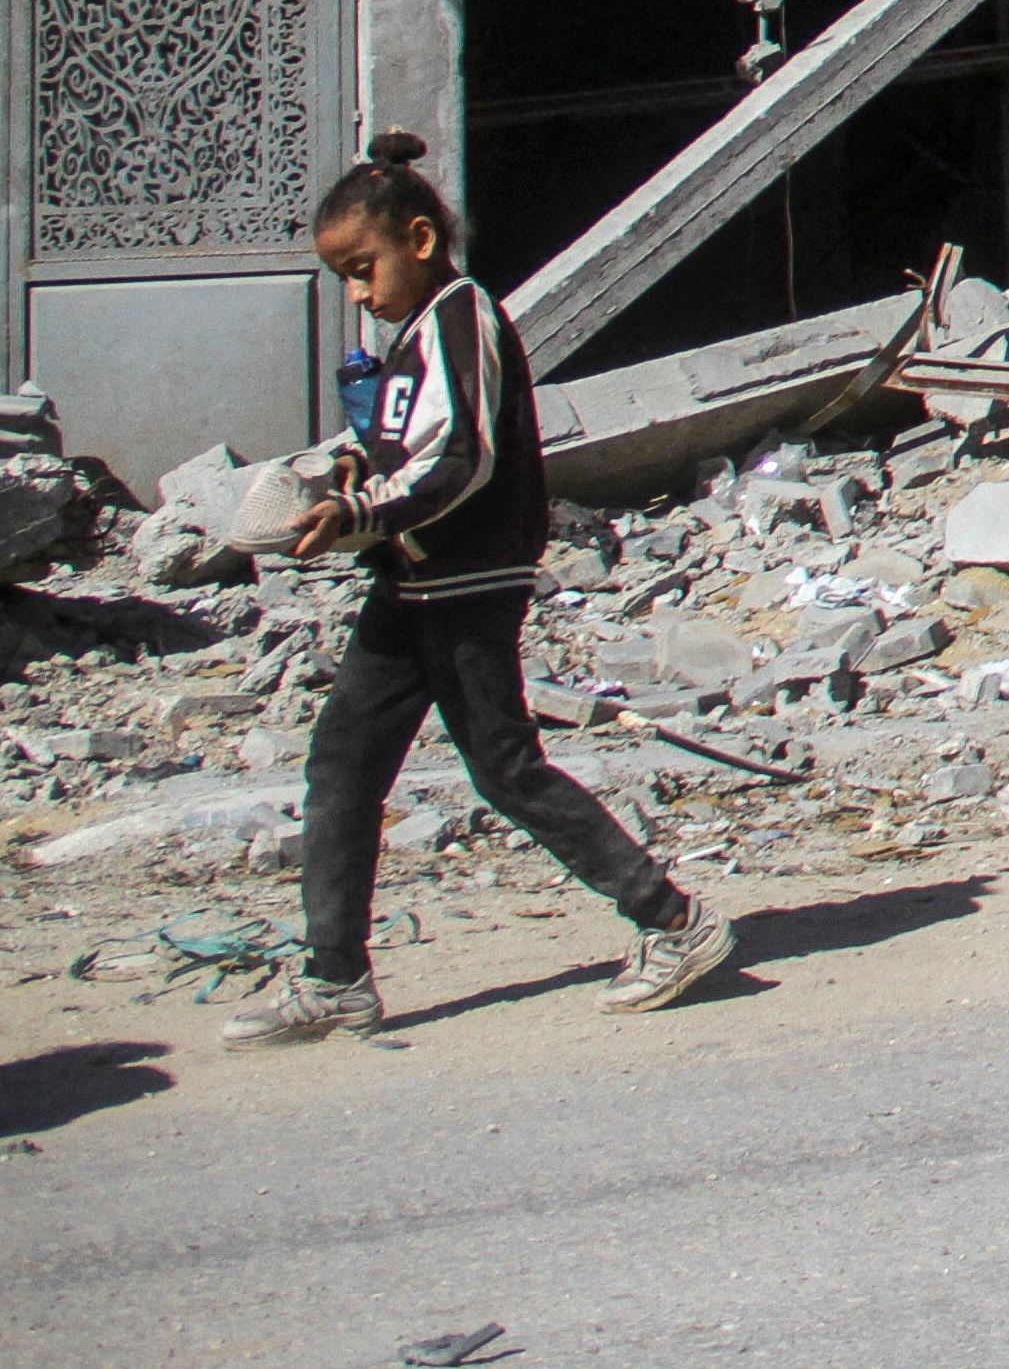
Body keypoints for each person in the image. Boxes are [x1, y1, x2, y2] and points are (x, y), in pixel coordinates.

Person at [228, 137, 734, 1043]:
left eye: (360, 268)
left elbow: (464, 458)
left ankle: (675, 921)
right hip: (408, 587)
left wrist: (358, 515)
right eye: (344, 276)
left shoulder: (465, 317)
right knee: (342, 767)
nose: (356, 292)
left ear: (418, 239)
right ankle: (335, 973)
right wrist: (347, 469)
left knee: (505, 769)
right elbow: (398, 444)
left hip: (467, 583)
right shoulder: (412, 337)